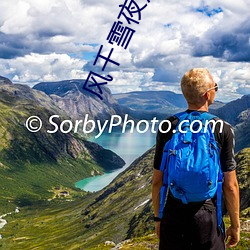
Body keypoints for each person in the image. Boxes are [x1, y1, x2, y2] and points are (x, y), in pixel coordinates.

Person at [152, 68, 240, 250]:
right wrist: (235, 225)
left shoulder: (168, 125)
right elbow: (230, 185)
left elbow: (157, 181)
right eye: (216, 87)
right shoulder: (222, 129)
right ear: (208, 94)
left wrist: (158, 218)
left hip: (174, 212)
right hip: (207, 215)